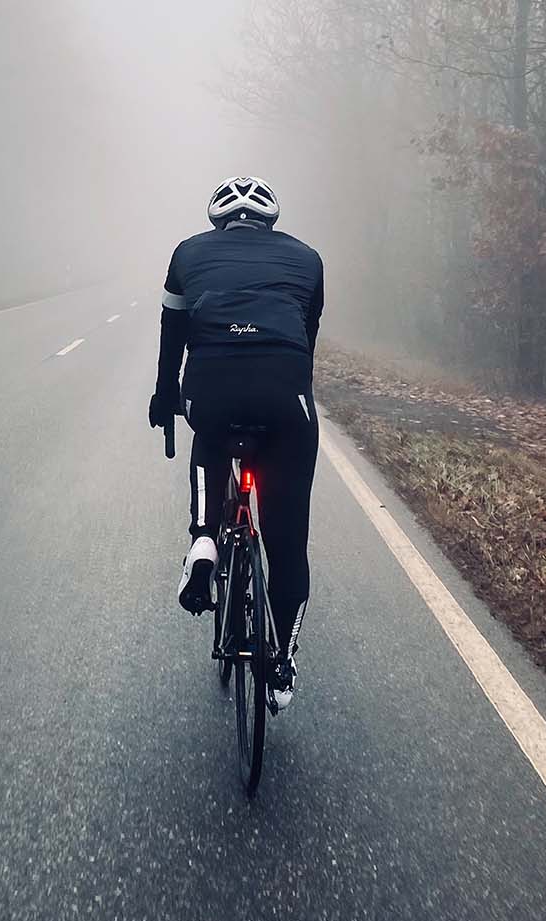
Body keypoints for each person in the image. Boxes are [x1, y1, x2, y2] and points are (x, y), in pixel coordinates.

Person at [148, 177, 323, 711]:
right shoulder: (309, 259)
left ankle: (203, 539)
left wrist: (165, 398)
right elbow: (305, 337)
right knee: (288, 546)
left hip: (213, 388)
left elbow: (171, 335)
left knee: (212, 434)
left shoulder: (186, 254)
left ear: (216, 220)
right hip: (285, 393)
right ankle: (281, 663)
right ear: (270, 220)